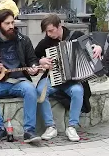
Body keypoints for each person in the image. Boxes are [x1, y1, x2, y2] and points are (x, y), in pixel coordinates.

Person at [0, 9, 41, 143]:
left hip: (20, 80)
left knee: (30, 90)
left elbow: (32, 60)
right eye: (7, 23)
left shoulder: (24, 40)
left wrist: (34, 68)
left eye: (12, 22)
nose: (11, 26)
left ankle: (29, 131)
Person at [35, 14, 102, 142]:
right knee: (40, 90)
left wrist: (98, 47)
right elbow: (33, 57)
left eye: (51, 30)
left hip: (72, 81)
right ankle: (50, 127)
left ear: (59, 26)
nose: (48, 34)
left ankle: (72, 127)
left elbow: (93, 44)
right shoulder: (45, 43)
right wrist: (41, 60)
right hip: (52, 79)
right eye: (47, 31)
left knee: (78, 91)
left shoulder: (76, 35)